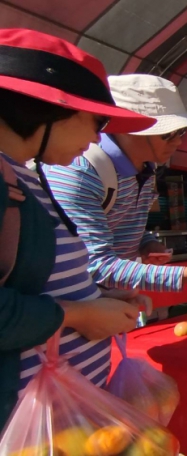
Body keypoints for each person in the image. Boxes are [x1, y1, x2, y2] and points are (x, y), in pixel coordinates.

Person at [0, 29, 157, 427]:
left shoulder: (29, 177)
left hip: (69, 418)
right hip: (23, 422)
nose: (97, 137)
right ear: (49, 109)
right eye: (96, 120)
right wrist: (79, 314)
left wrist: (97, 295)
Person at [46, 74, 187, 295]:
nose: (178, 141)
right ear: (127, 127)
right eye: (168, 133)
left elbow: (117, 224)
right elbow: (94, 265)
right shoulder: (81, 172)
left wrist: (146, 242)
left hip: (106, 302)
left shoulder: (147, 169)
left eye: (182, 131)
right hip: (66, 311)